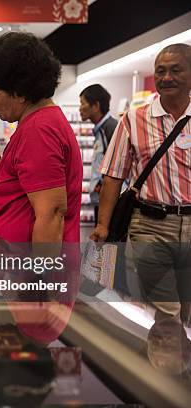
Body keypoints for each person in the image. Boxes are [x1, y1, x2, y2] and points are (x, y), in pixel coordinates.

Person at [91, 44, 191, 325]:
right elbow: (113, 175)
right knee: (166, 312)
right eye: (160, 71)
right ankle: (164, 368)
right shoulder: (133, 120)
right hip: (150, 225)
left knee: (187, 313)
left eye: (176, 70)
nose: (167, 77)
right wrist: (102, 225)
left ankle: (177, 364)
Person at [0, 32, 82, 247]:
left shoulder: (39, 131)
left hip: (26, 272)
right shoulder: (34, 123)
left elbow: (51, 215)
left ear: (20, 92)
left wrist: (37, 276)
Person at [79, 84, 119, 225]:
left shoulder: (111, 128)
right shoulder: (101, 129)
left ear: (95, 106)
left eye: (83, 103)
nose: (80, 108)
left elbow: (118, 165)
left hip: (112, 203)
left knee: (110, 245)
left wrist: (102, 184)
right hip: (102, 201)